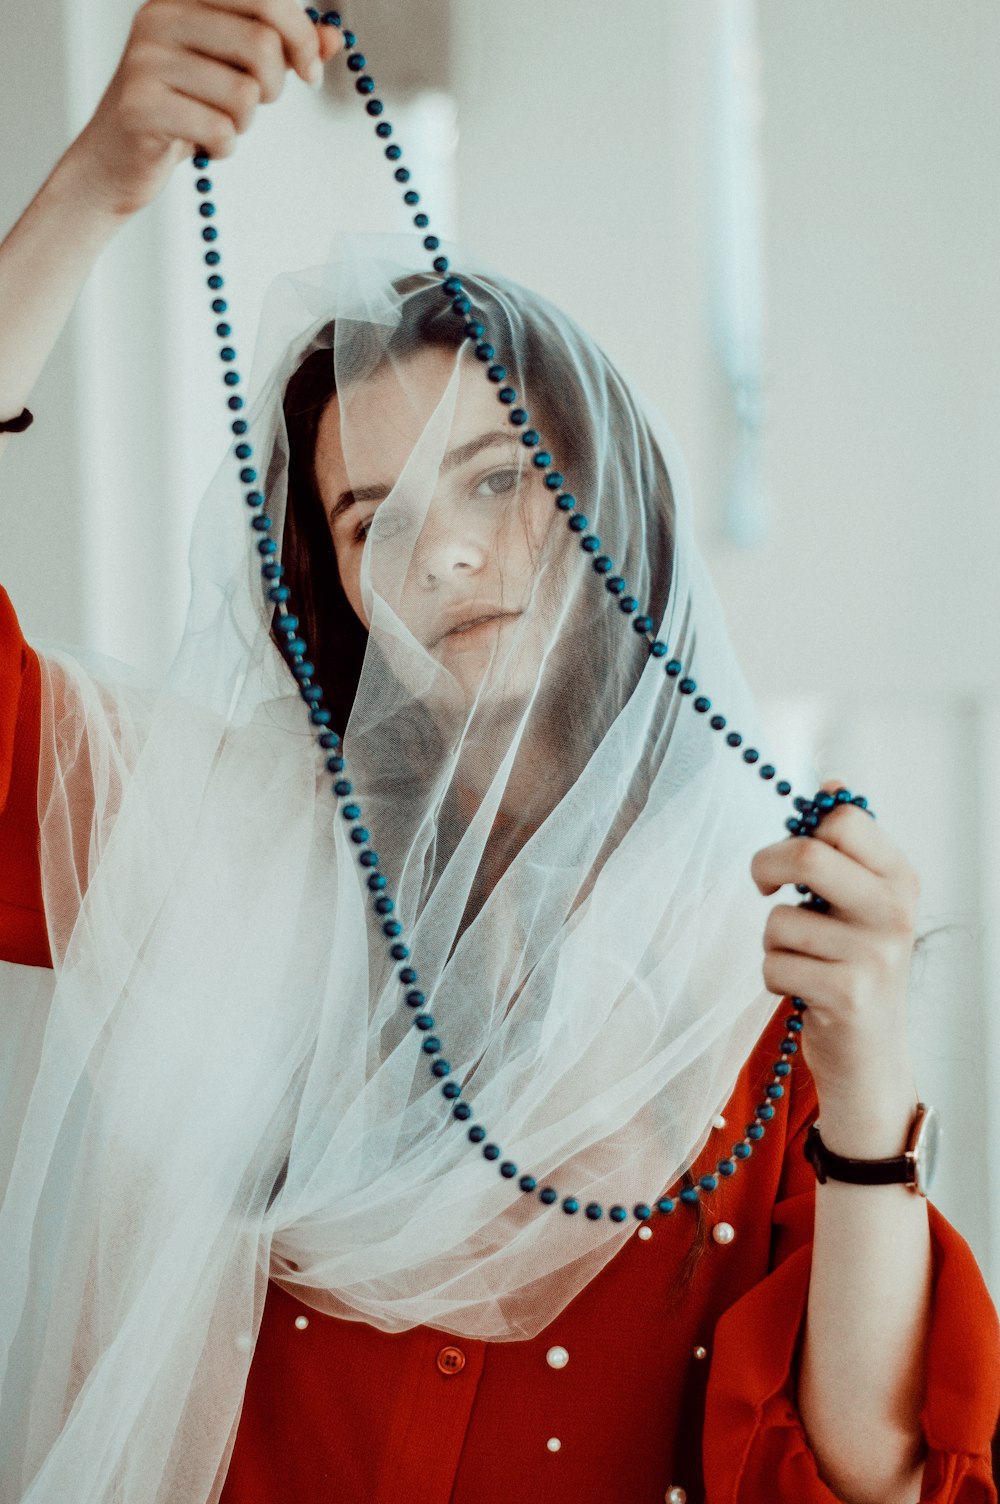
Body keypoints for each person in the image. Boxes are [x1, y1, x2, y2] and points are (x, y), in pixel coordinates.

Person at [0, 4, 997, 1503]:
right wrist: (94, 190)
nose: (449, 555)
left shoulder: (768, 938)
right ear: (327, 589)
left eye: (499, 480)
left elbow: (869, 1474)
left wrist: (867, 1083)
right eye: (370, 520)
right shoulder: (226, 846)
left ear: (613, 506)